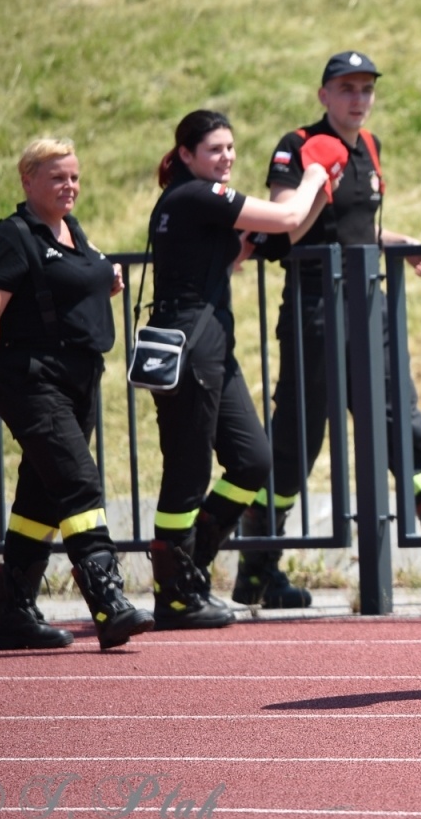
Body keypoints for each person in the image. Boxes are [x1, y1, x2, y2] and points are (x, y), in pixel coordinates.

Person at [244, 51, 421, 609]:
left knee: (405, 428)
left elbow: (358, 227)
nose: (358, 98)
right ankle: (257, 569)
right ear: (324, 94)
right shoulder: (299, 145)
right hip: (316, 314)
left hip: (371, 312)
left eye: (366, 88)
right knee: (298, 442)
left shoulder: (367, 147)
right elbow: (284, 226)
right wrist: (317, 180)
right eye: (347, 88)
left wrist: (398, 244)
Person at [146, 109, 343, 629]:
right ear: (186, 155)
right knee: (187, 472)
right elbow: (280, 219)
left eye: (231, 148)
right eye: (215, 149)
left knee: (253, 460)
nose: (227, 157)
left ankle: (193, 564)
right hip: (190, 345)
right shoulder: (196, 194)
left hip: (211, 345)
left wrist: (316, 198)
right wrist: (315, 176)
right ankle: (174, 594)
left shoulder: (199, 202)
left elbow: (266, 241)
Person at [0, 139, 155, 651]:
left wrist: (104, 279)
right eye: (56, 177)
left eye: (74, 177)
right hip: (30, 379)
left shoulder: (72, 231)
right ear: (27, 180)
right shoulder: (10, 235)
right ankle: (109, 602)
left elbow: (73, 279)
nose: (69, 186)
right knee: (77, 482)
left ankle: (15, 614)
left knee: (41, 494)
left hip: (79, 377)